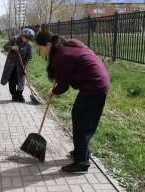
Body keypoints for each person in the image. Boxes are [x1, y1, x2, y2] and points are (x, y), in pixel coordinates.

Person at [35, 31, 110, 173]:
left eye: (41, 48)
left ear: (49, 44)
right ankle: (81, 152)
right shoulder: (64, 48)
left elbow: (63, 86)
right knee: (79, 117)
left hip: (95, 86)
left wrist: (54, 91)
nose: (41, 51)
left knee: (83, 123)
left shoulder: (62, 56)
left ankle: (82, 162)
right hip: (94, 84)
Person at [1, 28, 34, 102]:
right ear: (23, 36)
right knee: (12, 81)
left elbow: (29, 58)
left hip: (21, 66)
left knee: (21, 82)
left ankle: (19, 96)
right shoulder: (14, 39)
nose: (27, 41)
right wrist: (12, 47)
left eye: (29, 39)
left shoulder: (28, 45)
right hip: (11, 66)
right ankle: (14, 95)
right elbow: (5, 47)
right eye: (27, 38)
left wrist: (26, 66)